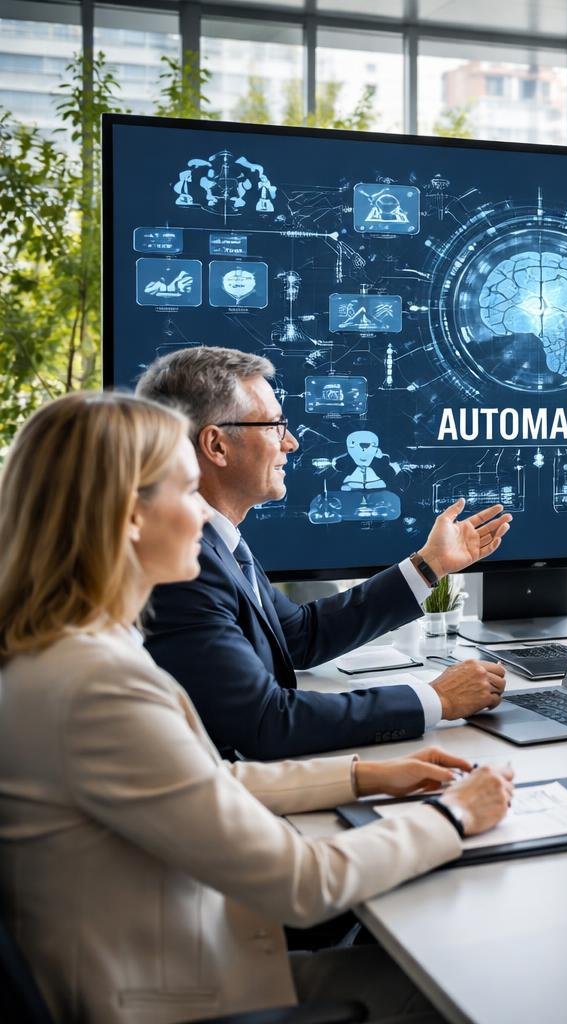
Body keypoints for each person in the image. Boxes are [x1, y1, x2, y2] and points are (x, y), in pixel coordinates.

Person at [0, 391, 517, 1023]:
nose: (204, 513)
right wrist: (454, 815)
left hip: (166, 963)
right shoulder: (98, 687)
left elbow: (202, 780)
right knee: (472, 983)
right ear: (131, 516)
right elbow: (303, 883)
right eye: (187, 491)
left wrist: (365, 775)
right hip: (183, 1000)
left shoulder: (63, 651)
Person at [135, 346, 512, 759]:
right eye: (275, 426)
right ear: (217, 445)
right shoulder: (183, 563)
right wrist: (436, 699)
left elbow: (299, 635)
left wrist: (430, 564)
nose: (291, 443)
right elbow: (266, 721)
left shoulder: (218, 543)